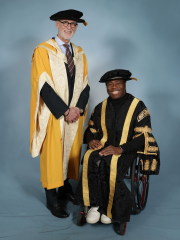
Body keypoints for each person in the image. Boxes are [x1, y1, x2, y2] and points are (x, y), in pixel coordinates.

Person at [73, 69, 160, 225]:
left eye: (118, 83)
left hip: (126, 149)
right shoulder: (101, 107)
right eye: (110, 84)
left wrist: (121, 149)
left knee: (110, 163)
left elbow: (144, 136)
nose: (114, 87)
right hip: (103, 146)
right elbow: (91, 128)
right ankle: (94, 204)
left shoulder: (138, 106)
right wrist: (91, 139)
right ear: (106, 87)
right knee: (89, 158)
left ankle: (110, 207)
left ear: (125, 85)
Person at [30, 9, 90, 218]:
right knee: (54, 154)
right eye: (65, 23)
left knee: (70, 153)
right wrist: (64, 110)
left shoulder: (79, 52)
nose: (69, 27)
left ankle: (65, 189)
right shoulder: (43, 50)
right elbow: (43, 86)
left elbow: (85, 84)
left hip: (74, 114)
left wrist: (78, 109)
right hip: (53, 114)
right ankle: (52, 199)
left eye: (74, 24)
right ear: (56, 24)